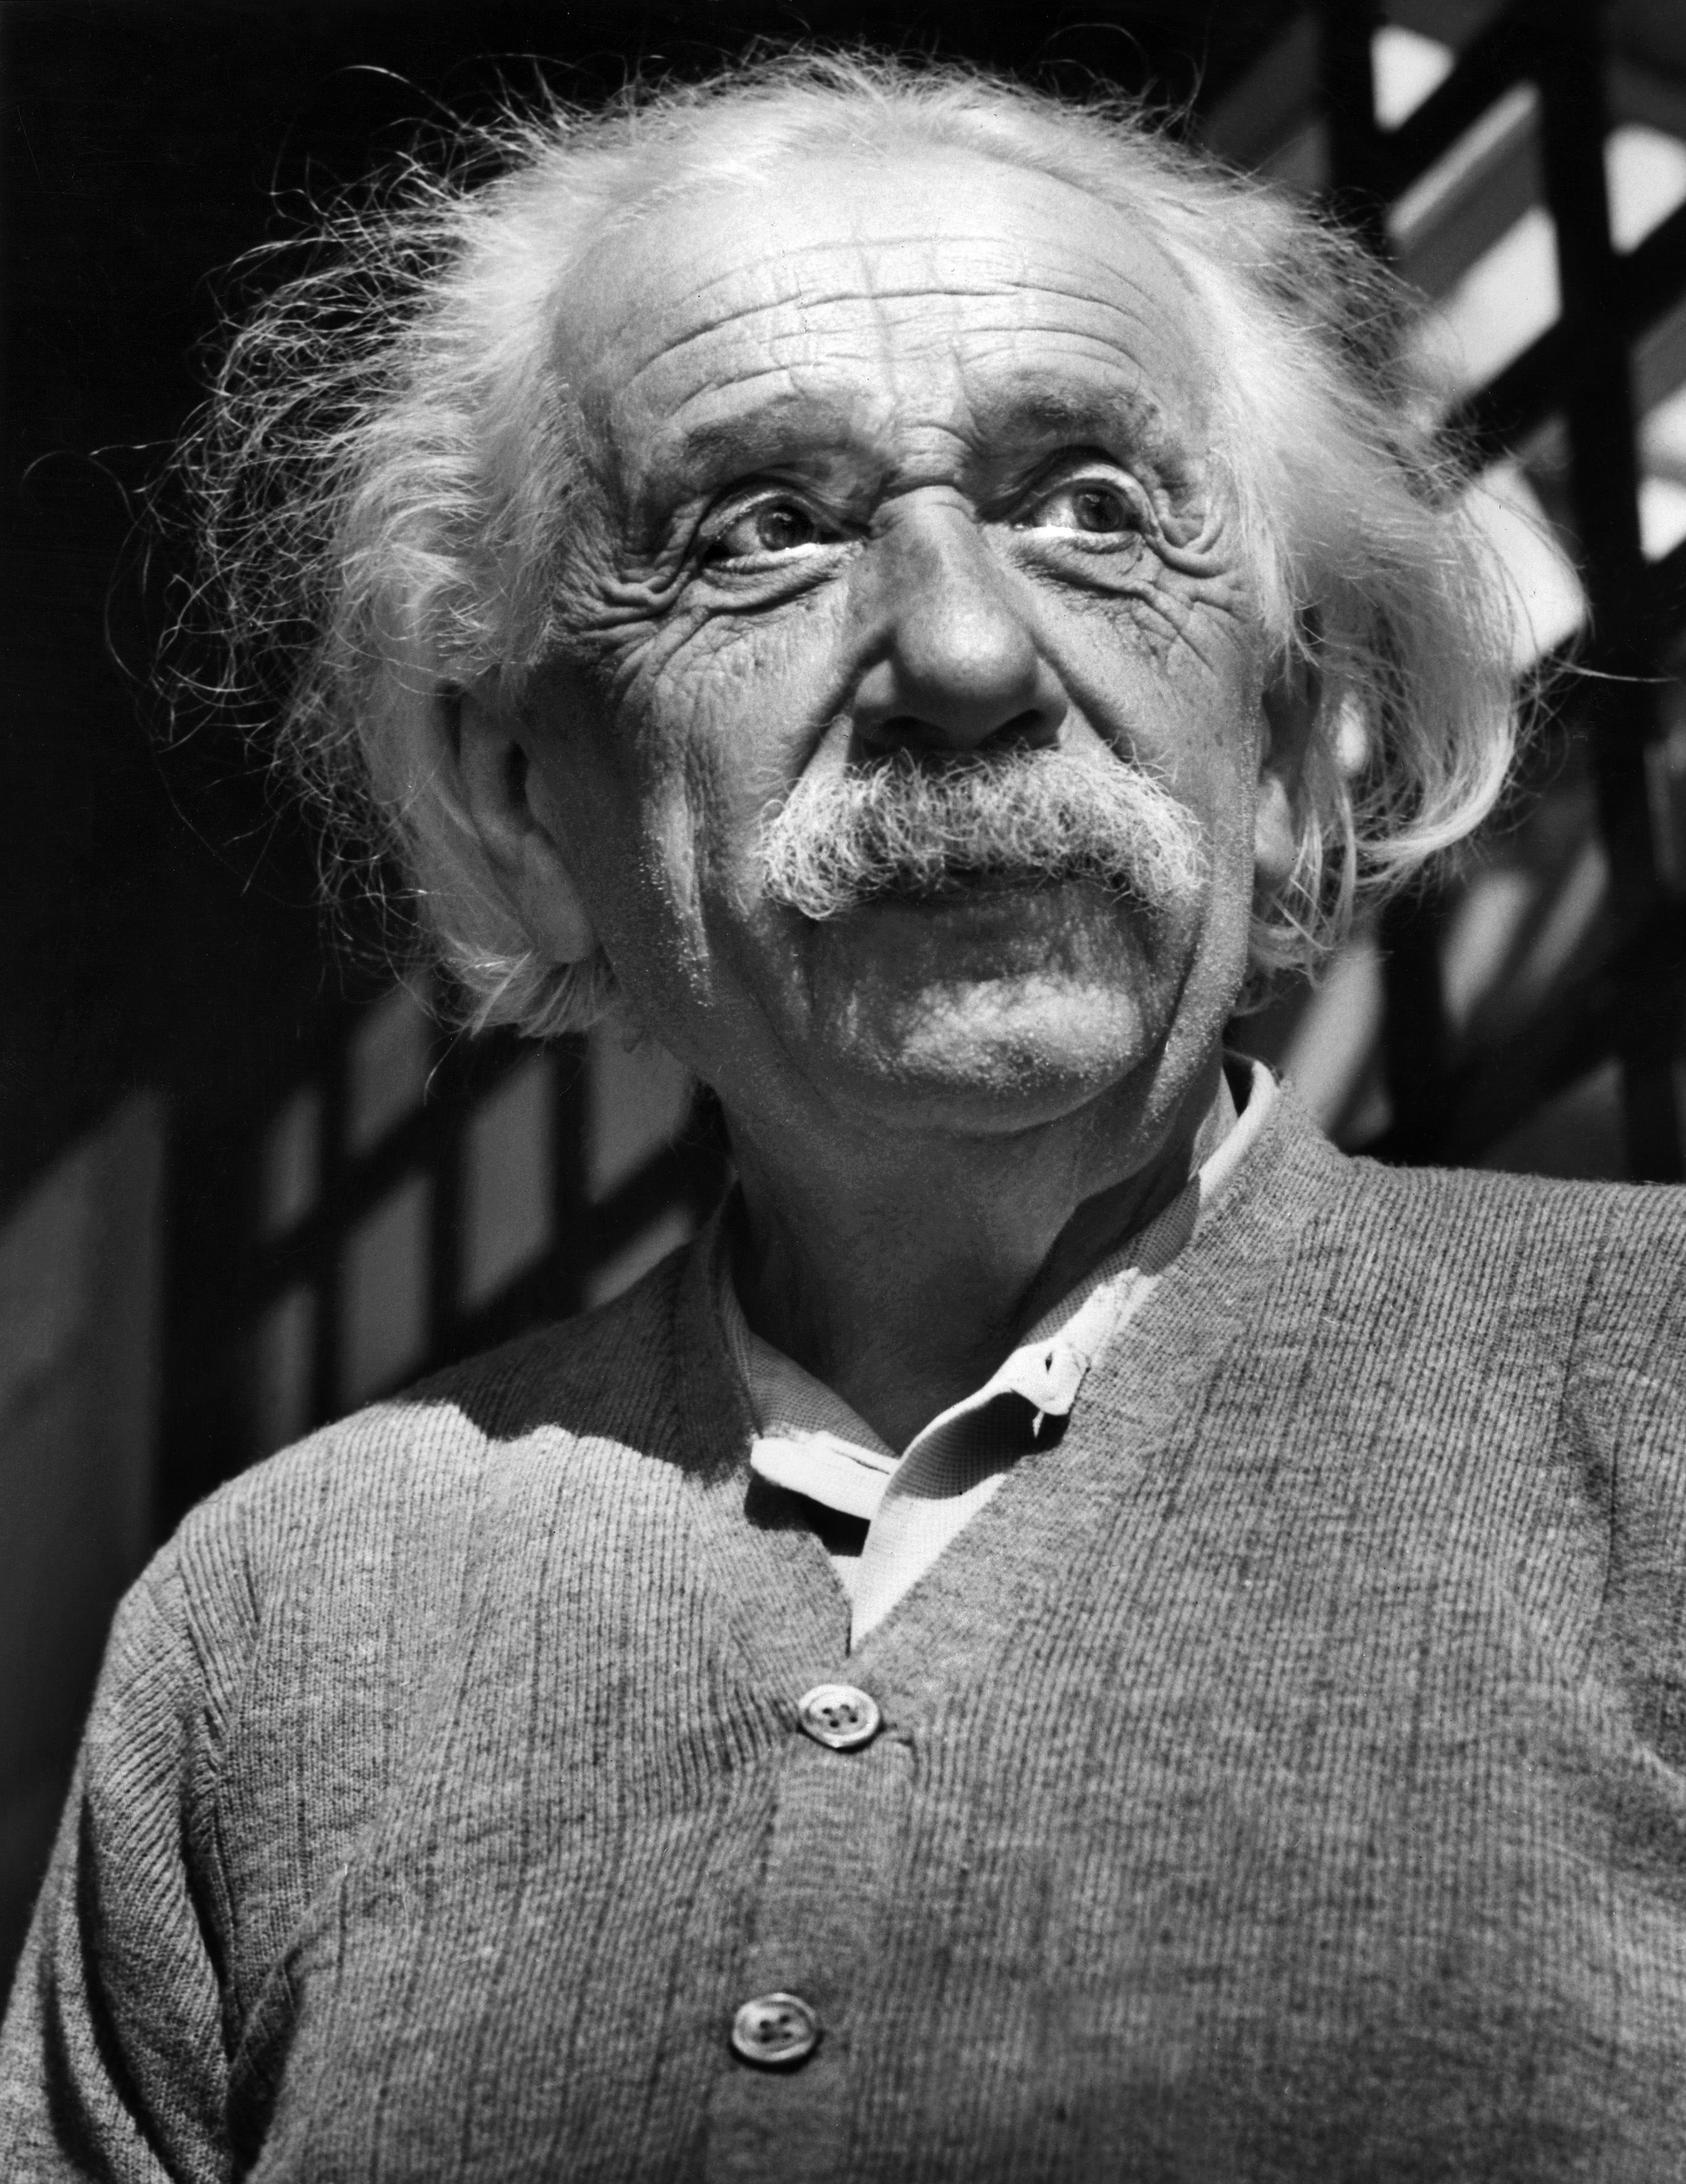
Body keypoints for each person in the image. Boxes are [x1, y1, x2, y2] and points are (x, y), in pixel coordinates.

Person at [3, 51, 1684, 2183]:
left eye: (1093, 506)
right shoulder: (277, 1619)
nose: (965, 652)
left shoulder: (1650, 1380)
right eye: (763, 530)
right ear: (526, 795)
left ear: (1278, 730)